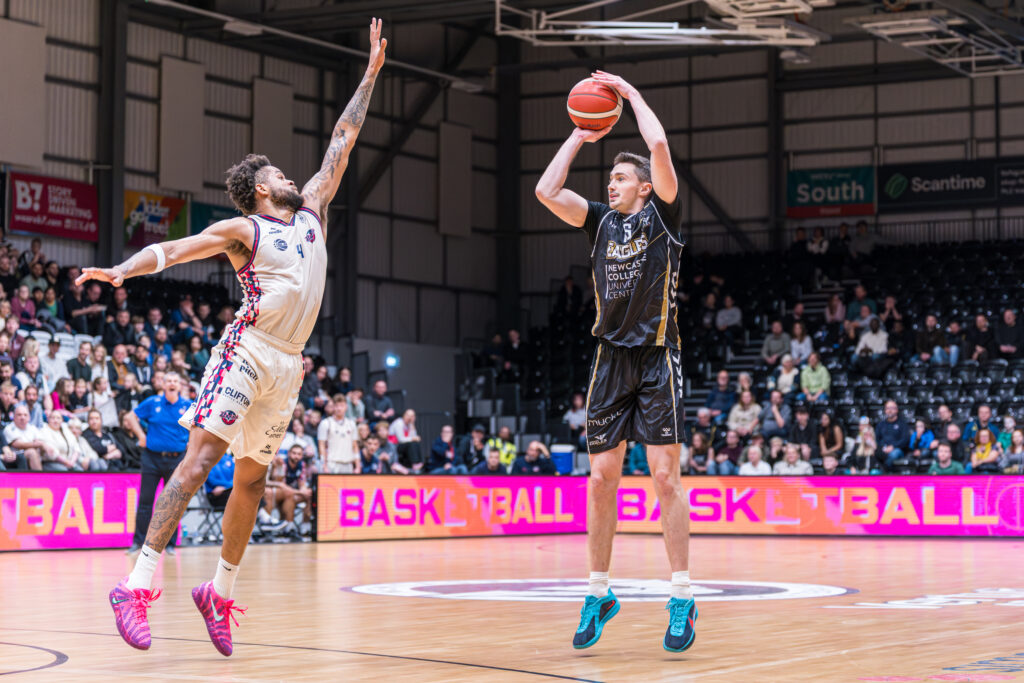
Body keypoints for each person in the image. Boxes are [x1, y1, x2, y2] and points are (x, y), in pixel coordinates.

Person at [93, 19, 386, 656]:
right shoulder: (245, 229)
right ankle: (136, 584)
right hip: (248, 352)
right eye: (278, 171)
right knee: (198, 462)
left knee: (251, 482)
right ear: (261, 187)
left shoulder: (311, 213)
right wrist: (122, 268)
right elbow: (174, 249)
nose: (291, 175)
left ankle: (218, 593)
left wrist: (369, 75)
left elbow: (343, 138)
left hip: (290, 367)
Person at [535, 69, 695, 652]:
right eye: (610, 177)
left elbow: (657, 146)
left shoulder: (664, 216)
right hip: (609, 360)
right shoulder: (600, 223)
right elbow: (547, 192)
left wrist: (628, 96)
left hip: (656, 358)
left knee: (663, 478)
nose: (612, 184)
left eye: (621, 178)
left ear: (644, 188)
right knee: (601, 481)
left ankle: (681, 597)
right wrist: (581, 133)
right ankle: (598, 591)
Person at [121, 371, 191, 554]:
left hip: (176, 459)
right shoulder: (153, 402)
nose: (172, 383)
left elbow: (199, 426)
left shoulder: (188, 405)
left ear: (180, 385)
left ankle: (169, 545)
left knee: (173, 502)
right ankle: (138, 542)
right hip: (151, 457)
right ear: (163, 384)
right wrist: (141, 436)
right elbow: (130, 417)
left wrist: (193, 442)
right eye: (169, 380)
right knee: (145, 501)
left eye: (176, 380)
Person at [317, 394, 359, 474]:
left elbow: (355, 445)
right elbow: (321, 445)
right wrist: (324, 465)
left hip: (348, 463)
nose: (339, 408)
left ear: (346, 407)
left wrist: (358, 466)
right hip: (332, 463)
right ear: (333, 407)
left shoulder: (351, 424)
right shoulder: (326, 423)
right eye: (336, 406)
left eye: (342, 406)